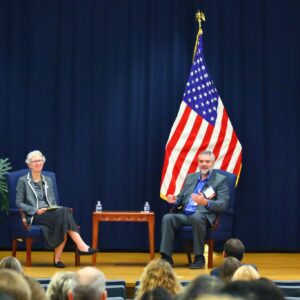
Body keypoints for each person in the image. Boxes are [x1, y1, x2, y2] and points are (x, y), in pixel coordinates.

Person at [16, 150, 98, 268]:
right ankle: (81, 247)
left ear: (43, 162)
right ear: (29, 164)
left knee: (63, 216)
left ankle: (60, 258)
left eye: (40, 160)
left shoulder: (48, 180)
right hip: (35, 215)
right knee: (64, 213)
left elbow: (53, 200)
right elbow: (19, 203)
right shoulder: (23, 181)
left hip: (49, 213)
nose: (38, 163)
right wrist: (35, 210)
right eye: (34, 161)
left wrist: (52, 208)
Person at [160, 150, 230, 268]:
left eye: (207, 161)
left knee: (197, 217)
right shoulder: (191, 177)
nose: (204, 164)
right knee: (168, 218)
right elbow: (181, 198)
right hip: (186, 215)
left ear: (212, 163)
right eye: (201, 161)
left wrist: (206, 202)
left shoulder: (220, 180)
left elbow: (223, 204)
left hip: (203, 216)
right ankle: (166, 257)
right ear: (198, 162)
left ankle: (199, 257)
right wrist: (175, 200)